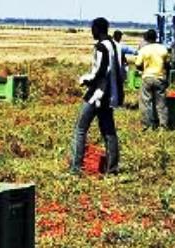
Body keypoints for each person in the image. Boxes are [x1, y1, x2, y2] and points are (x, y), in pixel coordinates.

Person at [70, 17, 125, 175]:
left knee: (80, 129)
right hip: (111, 96)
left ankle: (75, 168)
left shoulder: (101, 47)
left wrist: (86, 79)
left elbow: (100, 72)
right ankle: (112, 169)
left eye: (93, 29)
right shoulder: (116, 45)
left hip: (98, 94)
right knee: (109, 131)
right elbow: (121, 71)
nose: (91, 32)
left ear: (97, 29)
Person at [135, 29, 170, 130]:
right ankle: (163, 126)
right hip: (160, 78)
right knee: (161, 103)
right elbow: (167, 65)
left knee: (146, 102)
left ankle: (148, 126)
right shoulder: (163, 49)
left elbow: (137, 65)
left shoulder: (143, 50)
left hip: (147, 78)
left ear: (146, 38)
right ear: (156, 38)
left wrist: (145, 69)